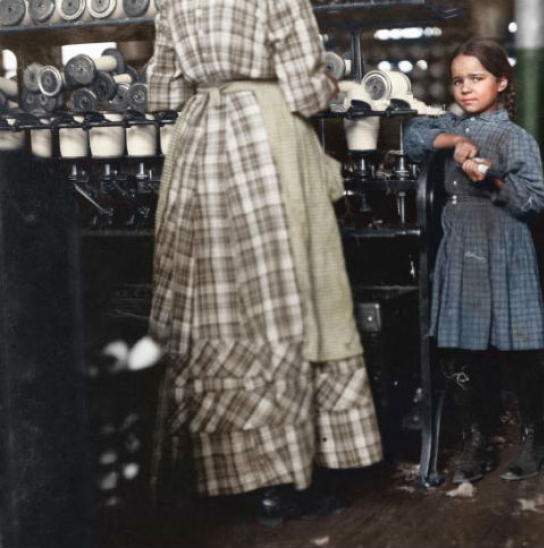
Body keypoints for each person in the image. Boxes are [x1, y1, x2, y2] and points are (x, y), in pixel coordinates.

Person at [146, 0, 383, 528]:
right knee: (285, 297)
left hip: (199, 140)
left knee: (206, 301)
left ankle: (212, 478)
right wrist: (328, 84)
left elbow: (162, 88)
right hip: (266, 136)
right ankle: (282, 484)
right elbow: (304, 86)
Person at [403, 38, 544, 483]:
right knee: (458, 349)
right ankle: (477, 445)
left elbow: (534, 201)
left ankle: (534, 440)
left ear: (502, 82)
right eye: (458, 81)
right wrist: (455, 139)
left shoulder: (514, 137)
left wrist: (494, 177)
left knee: (517, 349)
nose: (466, 89)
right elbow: (412, 136)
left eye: (477, 79)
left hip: (503, 246)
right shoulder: (451, 123)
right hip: (462, 247)